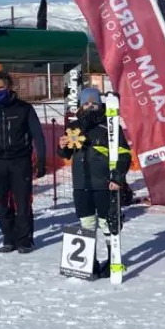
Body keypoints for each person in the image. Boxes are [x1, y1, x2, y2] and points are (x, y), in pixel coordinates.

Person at [57, 88, 132, 276]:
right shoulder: (74, 126)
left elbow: (124, 154)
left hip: (104, 183)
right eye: (86, 103)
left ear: (100, 104)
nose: (90, 106)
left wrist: (117, 177)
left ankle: (112, 260)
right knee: (87, 223)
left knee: (107, 223)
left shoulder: (110, 125)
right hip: (81, 183)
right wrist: (62, 147)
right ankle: (88, 263)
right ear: (80, 106)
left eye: (94, 103)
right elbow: (66, 153)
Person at [0, 71, 46, 253]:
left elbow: (38, 135)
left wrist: (41, 160)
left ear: (10, 86)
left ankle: (25, 240)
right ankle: (8, 238)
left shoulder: (24, 109)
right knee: (2, 203)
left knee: (22, 203)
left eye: (1, 88)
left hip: (20, 162)